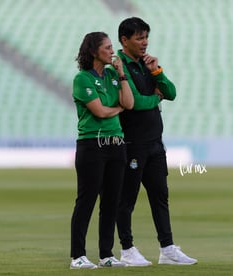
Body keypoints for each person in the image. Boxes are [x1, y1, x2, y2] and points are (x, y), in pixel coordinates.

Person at [115, 17, 198, 266]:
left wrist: (157, 73)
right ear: (124, 40)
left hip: (154, 144)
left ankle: (167, 248)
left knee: (160, 196)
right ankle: (127, 250)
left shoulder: (146, 64)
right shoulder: (118, 67)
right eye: (139, 37)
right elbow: (135, 103)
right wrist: (155, 97)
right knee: (126, 199)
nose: (144, 42)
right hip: (132, 144)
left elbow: (171, 93)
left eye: (146, 37)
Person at [70, 31, 134, 269]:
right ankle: (77, 256)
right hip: (92, 145)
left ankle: (106, 255)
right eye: (107, 47)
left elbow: (128, 103)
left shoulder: (113, 75)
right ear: (93, 51)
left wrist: (122, 74)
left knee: (111, 201)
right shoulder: (82, 79)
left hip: (116, 144)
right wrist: (116, 109)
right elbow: (100, 112)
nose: (112, 51)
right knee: (86, 200)